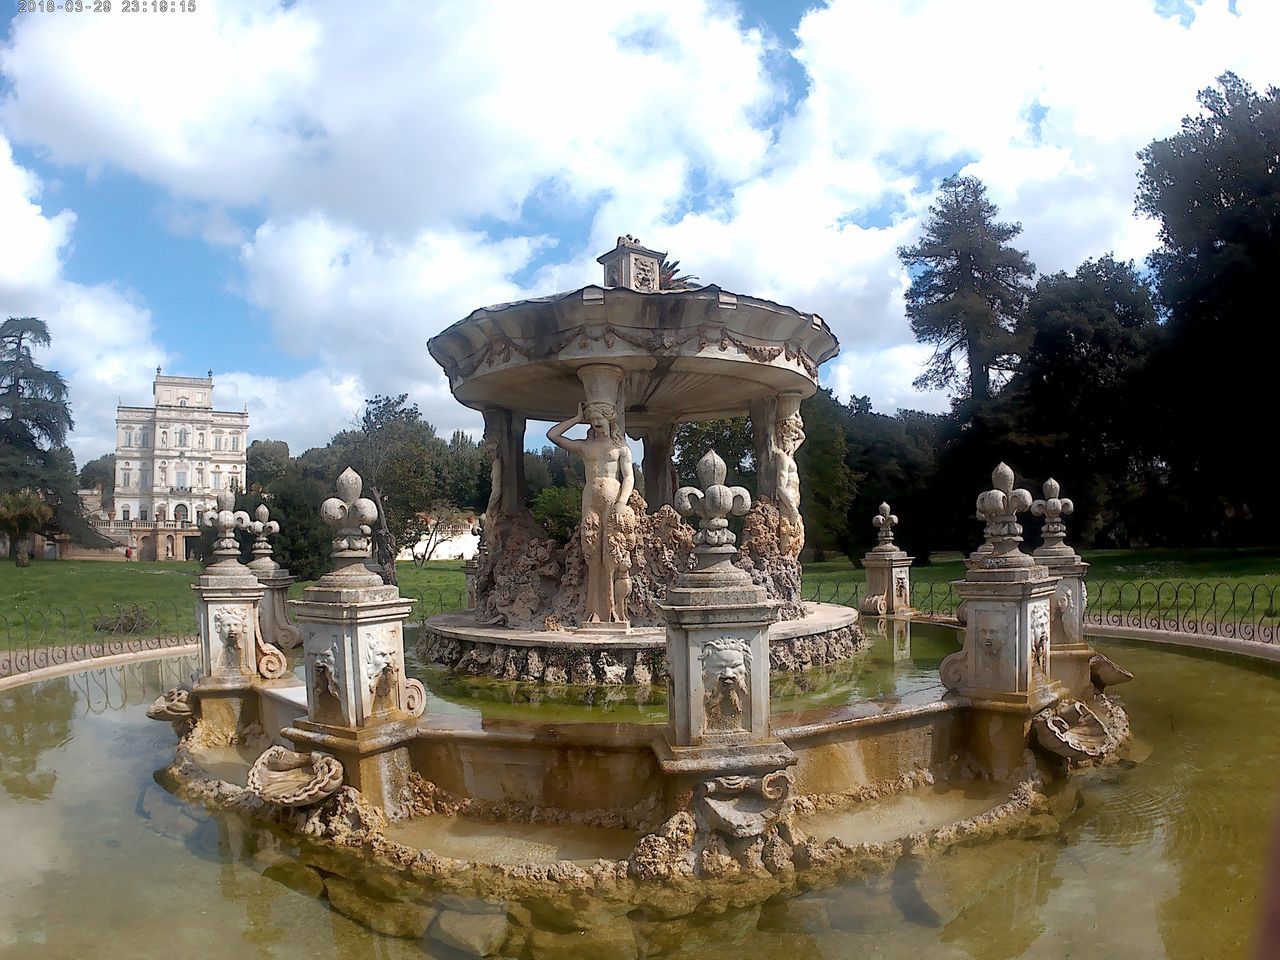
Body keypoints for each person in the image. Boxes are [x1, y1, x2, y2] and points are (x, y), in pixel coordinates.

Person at [547, 401, 635, 625]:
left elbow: (629, 477)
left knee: (612, 553)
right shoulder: (586, 447)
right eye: (592, 420)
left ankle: (613, 611)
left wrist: (622, 502)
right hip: (590, 501)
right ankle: (594, 610)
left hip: (613, 500)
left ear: (609, 420)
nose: (596, 423)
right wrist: (577, 418)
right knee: (591, 552)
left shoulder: (621, 449)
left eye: (600, 419)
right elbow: (552, 435)